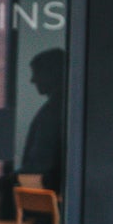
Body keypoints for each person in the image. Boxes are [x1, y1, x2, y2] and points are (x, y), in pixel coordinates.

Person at [19, 47, 65, 193]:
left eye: (37, 73)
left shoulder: (54, 111)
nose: (33, 80)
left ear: (53, 73)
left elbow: (40, 161)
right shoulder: (59, 107)